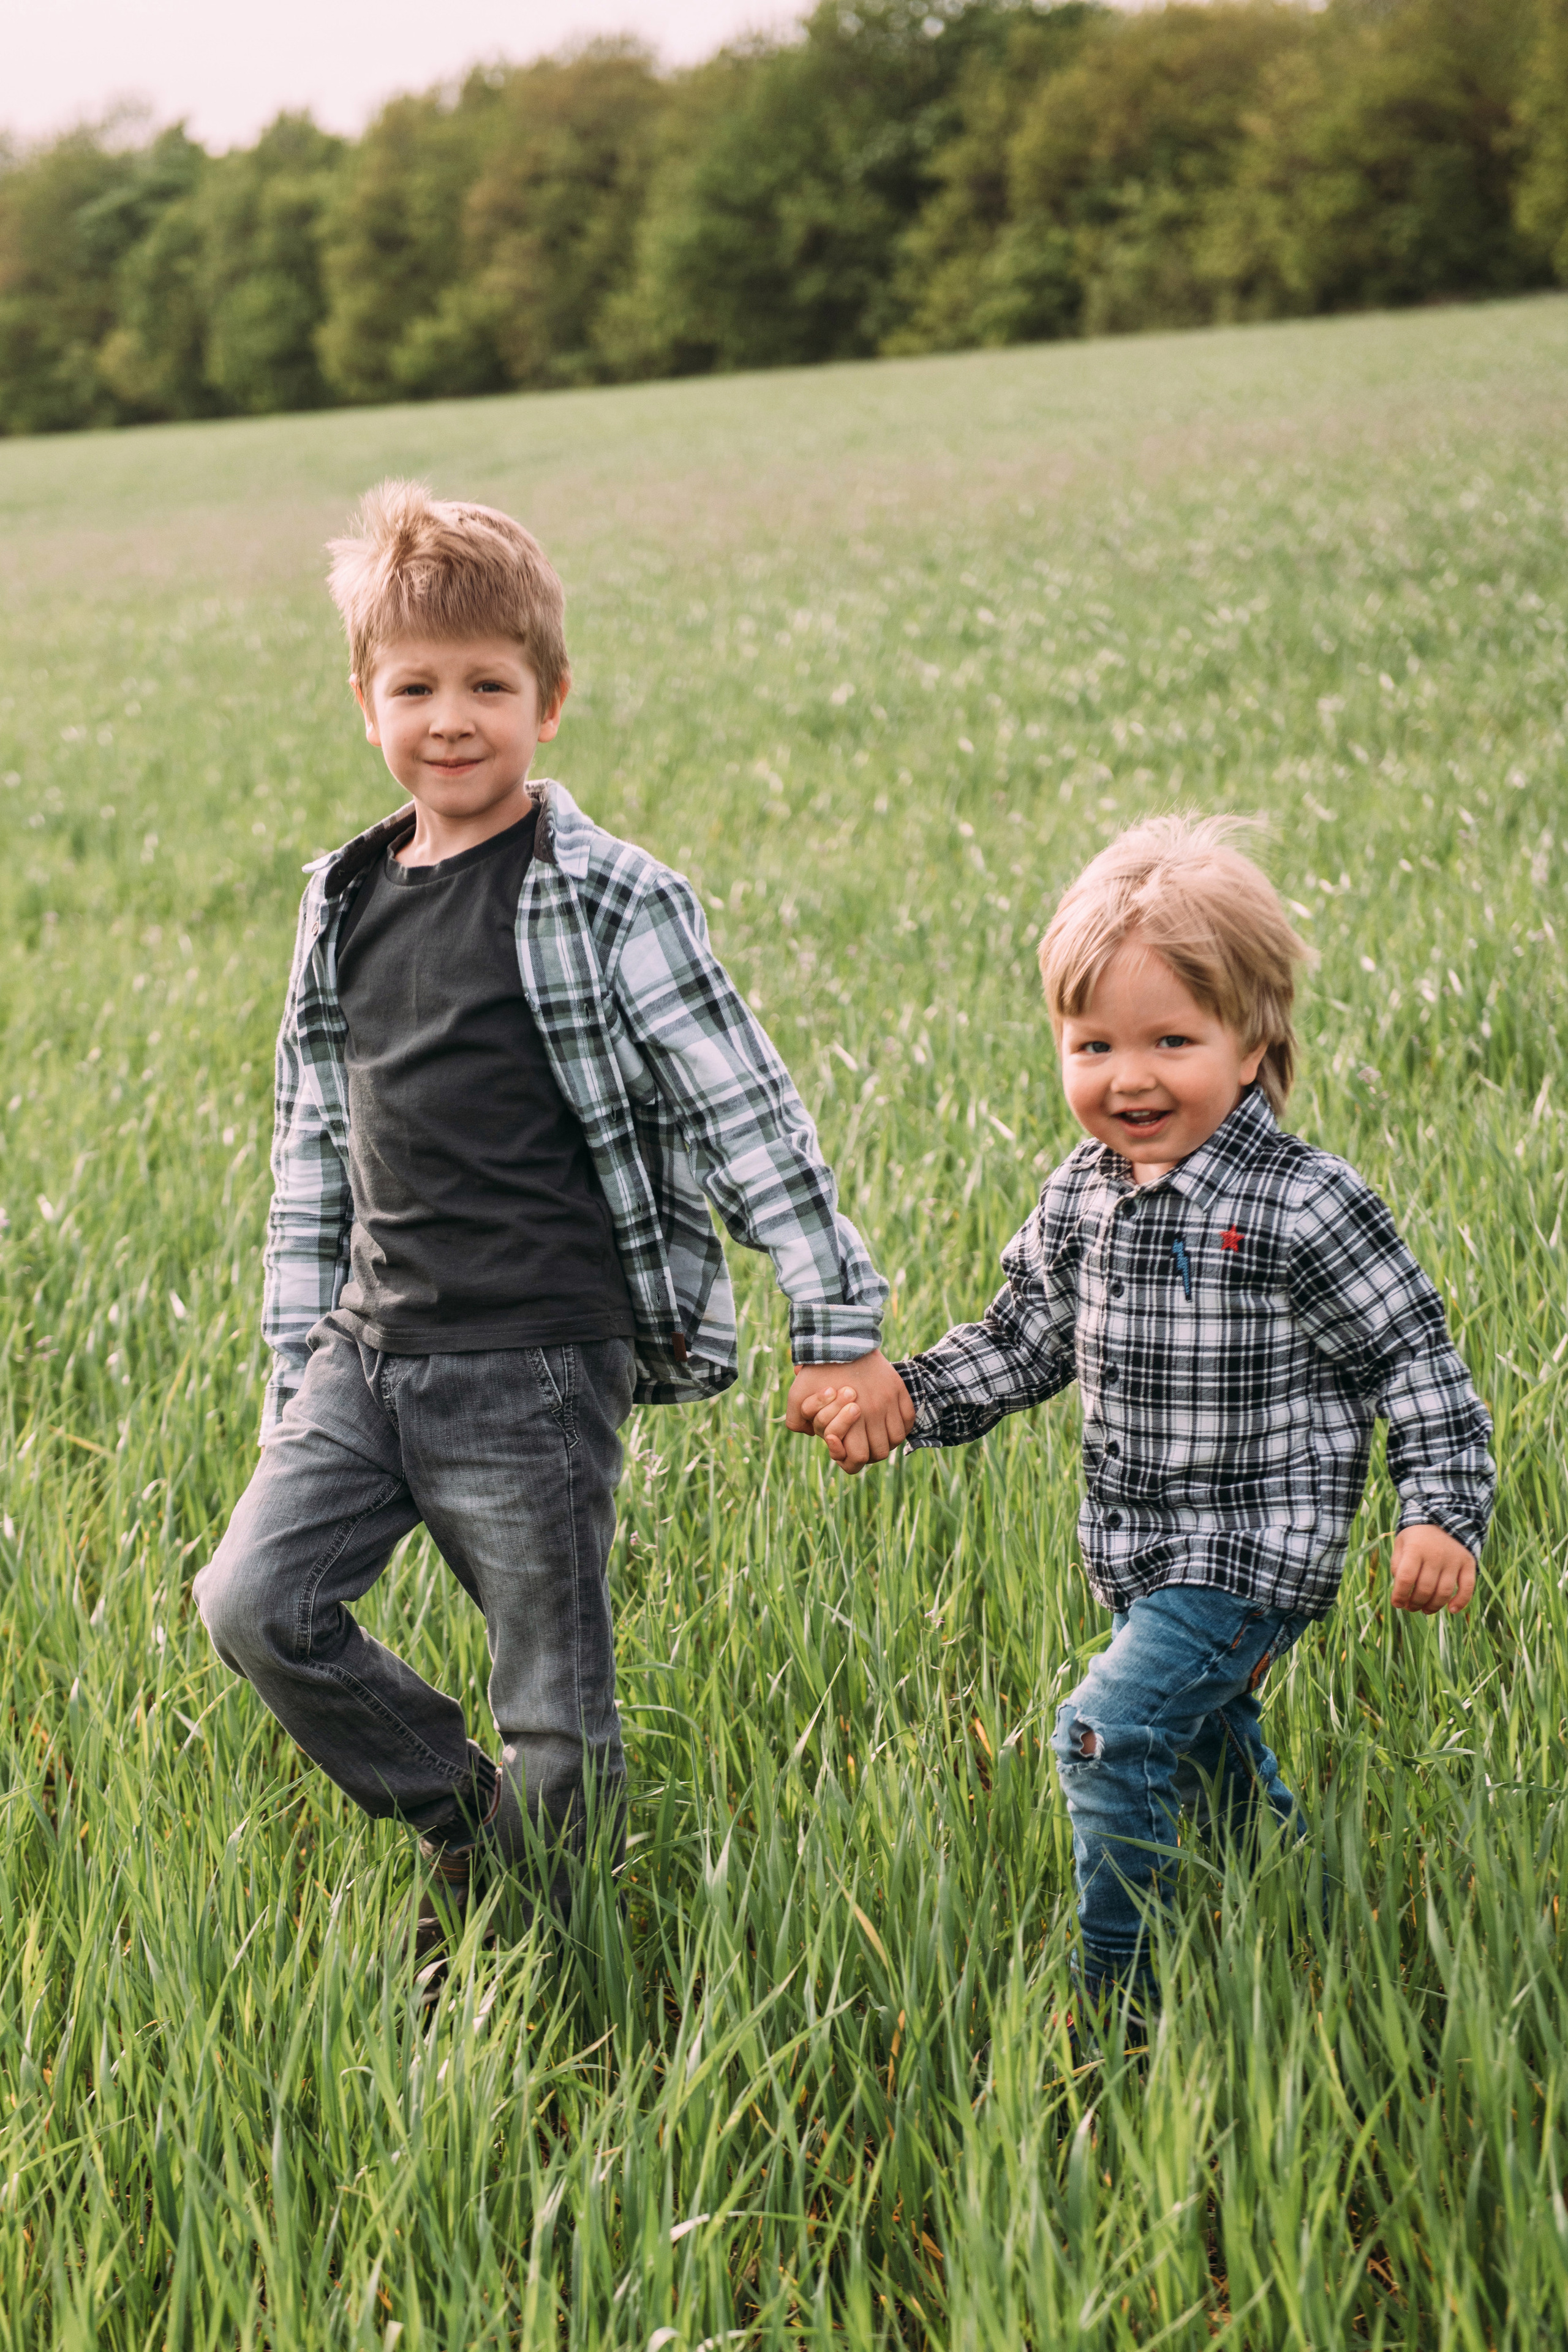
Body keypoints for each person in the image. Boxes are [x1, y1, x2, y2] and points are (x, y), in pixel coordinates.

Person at [194, 480, 914, 1978]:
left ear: (550, 698)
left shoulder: (609, 898)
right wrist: (288, 1380)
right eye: (415, 687)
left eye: (487, 687)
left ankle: (558, 1979)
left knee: (559, 1721)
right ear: (363, 699)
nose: (449, 720)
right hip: (365, 1352)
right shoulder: (340, 898)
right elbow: (312, 1149)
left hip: (531, 1364)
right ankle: (461, 1816)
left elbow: (748, 1117)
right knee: (255, 1602)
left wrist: (835, 1324)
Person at [799, 815, 1493, 2005]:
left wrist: (1436, 1512)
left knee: (1105, 1735)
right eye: (1090, 1044)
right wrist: (908, 1395)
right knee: (1202, 1744)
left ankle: (1118, 2004)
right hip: (1134, 1550)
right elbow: (1021, 1340)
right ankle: (1283, 1884)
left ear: (1250, 1039)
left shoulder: (1301, 1205)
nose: (1126, 1077)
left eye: (1170, 1039)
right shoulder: (1083, 1194)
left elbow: (1413, 1361)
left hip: (1249, 1553)